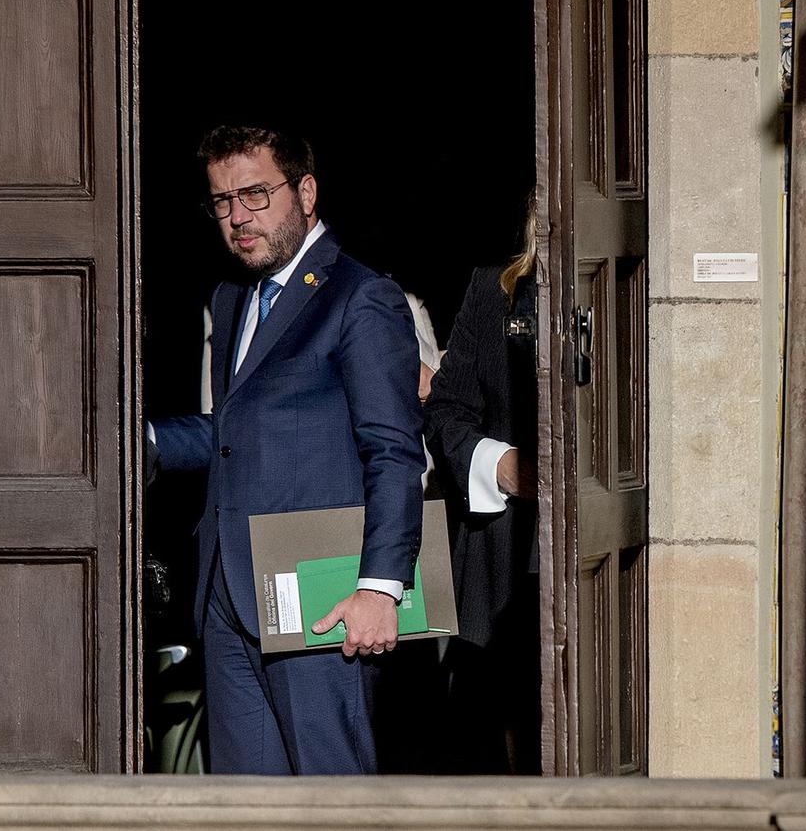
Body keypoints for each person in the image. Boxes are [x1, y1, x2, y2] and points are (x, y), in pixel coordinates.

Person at [145, 124, 425, 775]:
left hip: (325, 596)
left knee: (334, 803)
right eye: (222, 201)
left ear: (306, 191)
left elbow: (394, 451)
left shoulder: (360, 298)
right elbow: (237, 433)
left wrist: (379, 587)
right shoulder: (232, 296)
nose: (238, 217)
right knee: (245, 810)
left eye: (254, 194)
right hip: (229, 596)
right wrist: (151, 442)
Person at [422, 210, 541, 774]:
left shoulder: (632, 290)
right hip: (503, 556)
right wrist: (499, 465)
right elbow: (446, 410)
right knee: (503, 749)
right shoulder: (493, 292)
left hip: (607, 568)